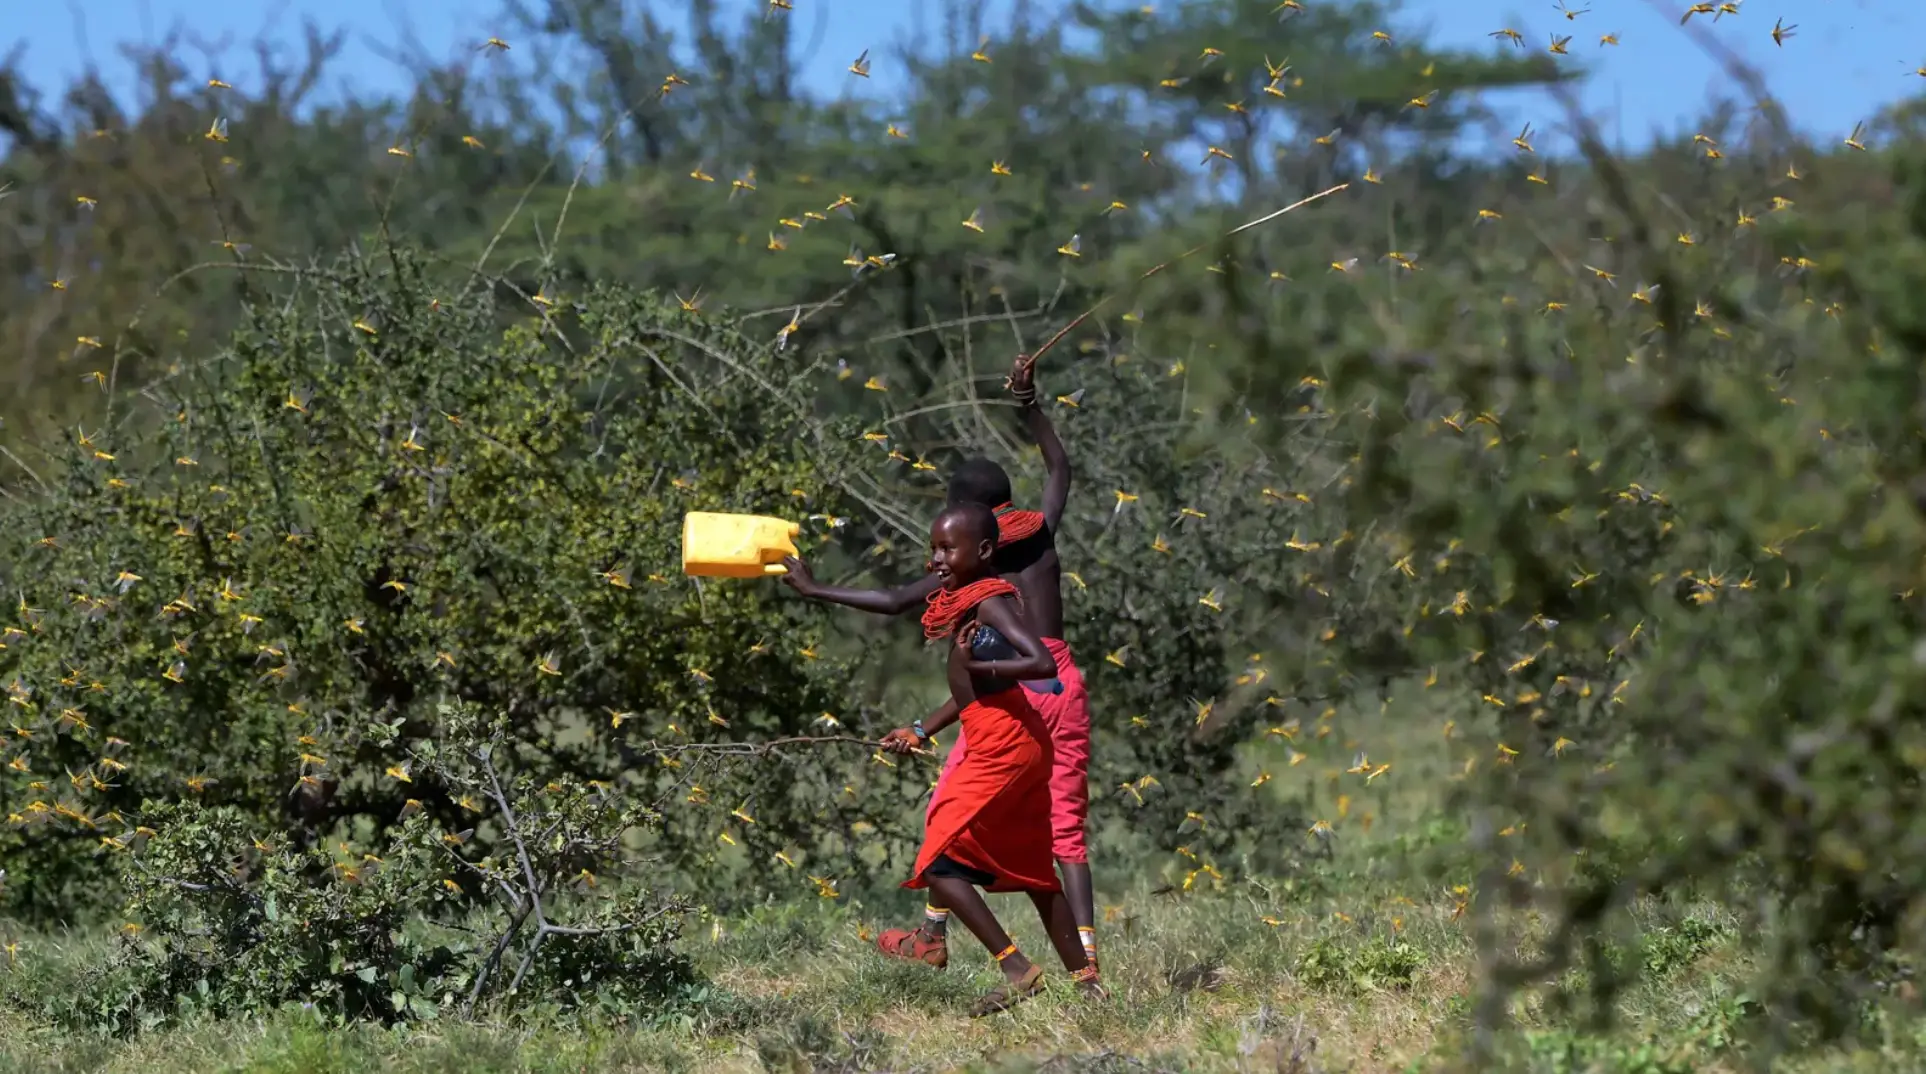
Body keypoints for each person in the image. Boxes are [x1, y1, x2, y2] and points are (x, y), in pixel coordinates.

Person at [780, 355, 1103, 993]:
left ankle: (953, 945)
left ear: (973, 525)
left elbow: (901, 601)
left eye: (949, 532)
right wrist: (1028, 404)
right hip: (1063, 684)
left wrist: (817, 590)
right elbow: (1060, 468)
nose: (940, 552)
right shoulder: (1036, 533)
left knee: (950, 816)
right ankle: (1087, 972)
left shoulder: (978, 569)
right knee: (1057, 829)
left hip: (1021, 691)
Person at [907, 502, 1088, 1015]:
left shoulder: (989, 602)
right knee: (1035, 871)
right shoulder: (968, 600)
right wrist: (922, 728)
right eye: (934, 548)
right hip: (1008, 737)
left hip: (1002, 745)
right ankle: (1089, 983)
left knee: (938, 864)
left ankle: (1017, 969)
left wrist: (983, 670)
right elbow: (967, 690)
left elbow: (1040, 662)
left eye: (948, 548)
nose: (937, 559)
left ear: (983, 551)